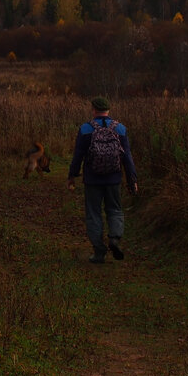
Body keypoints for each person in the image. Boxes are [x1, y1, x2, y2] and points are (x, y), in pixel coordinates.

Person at [68, 96, 139, 263]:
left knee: (93, 214)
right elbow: (127, 157)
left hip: (92, 180)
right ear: (108, 110)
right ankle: (114, 239)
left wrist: (72, 175)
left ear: (93, 110)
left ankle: (99, 251)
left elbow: (78, 155)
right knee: (114, 210)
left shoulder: (86, 129)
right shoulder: (120, 129)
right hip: (114, 178)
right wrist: (132, 179)